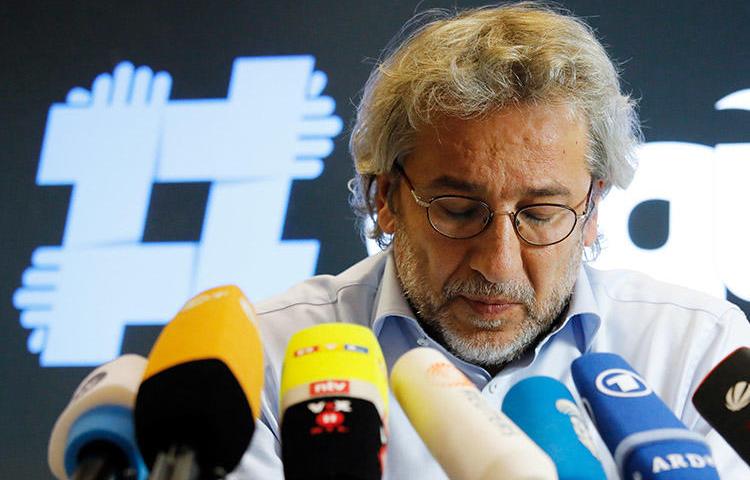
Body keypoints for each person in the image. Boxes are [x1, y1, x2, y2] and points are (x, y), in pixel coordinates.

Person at [230, 3, 750, 478]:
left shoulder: (697, 351)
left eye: (542, 214)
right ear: (384, 198)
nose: (498, 264)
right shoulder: (263, 357)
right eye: (458, 212)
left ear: (592, 209)